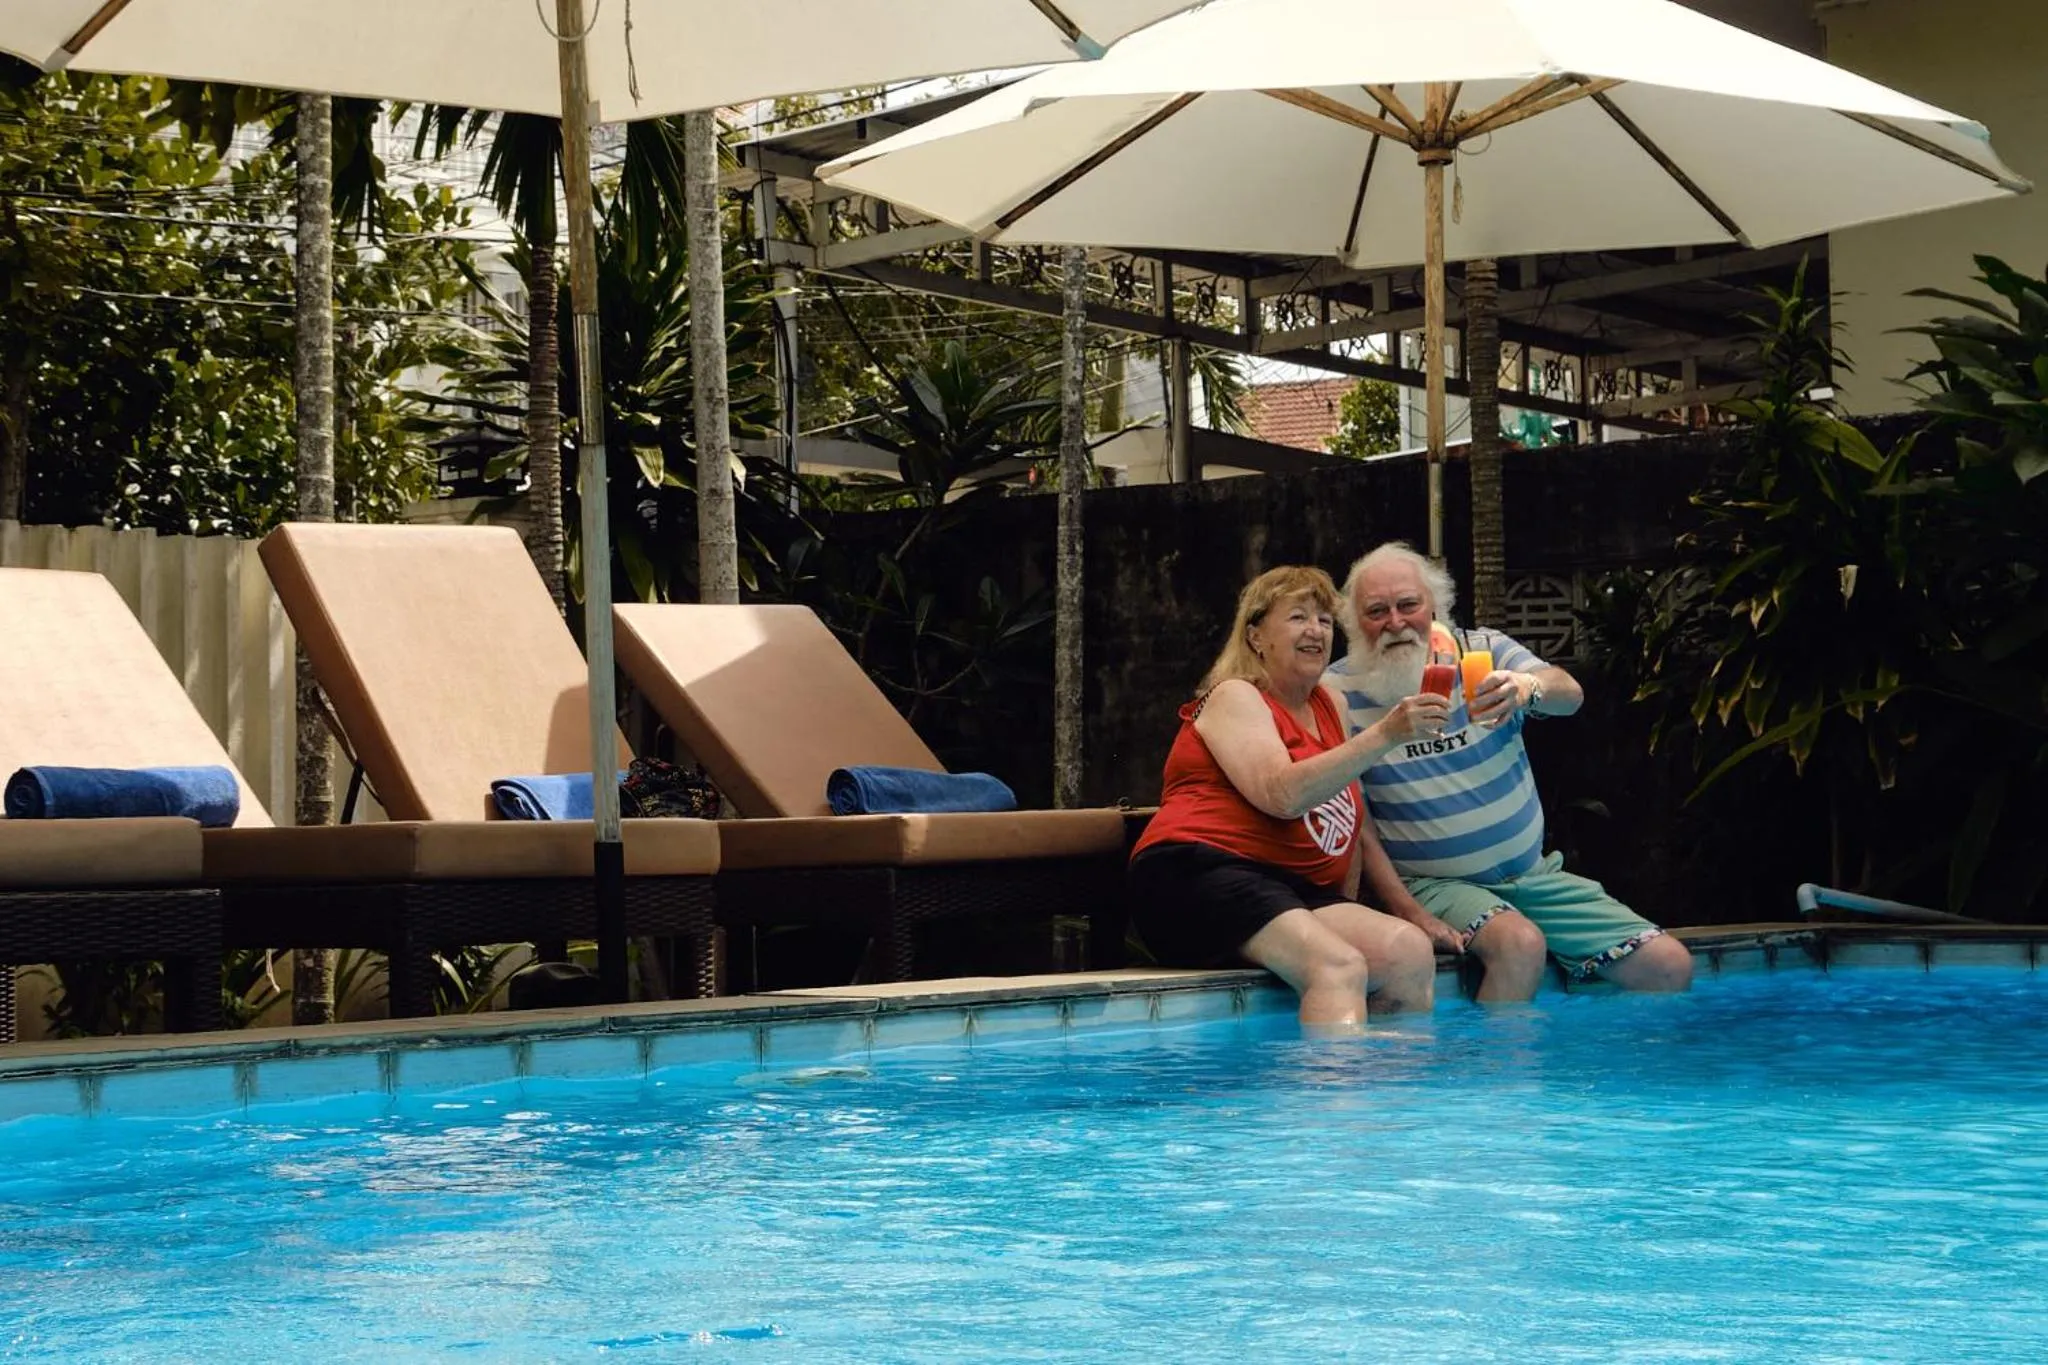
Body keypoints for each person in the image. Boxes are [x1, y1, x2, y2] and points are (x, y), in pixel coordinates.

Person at [1323, 542, 1694, 1002]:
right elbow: (1360, 823)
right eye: (1376, 611)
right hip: (1433, 884)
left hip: (1532, 875)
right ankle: (1496, 1075)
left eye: (1408, 605)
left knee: (1669, 968)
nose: (1395, 622)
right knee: (1520, 944)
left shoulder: (1483, 651)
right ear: (1353, 622)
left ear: (1435, 604)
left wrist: (1527, 687)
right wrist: (1407, 907)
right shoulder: (1336, 692)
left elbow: (1570, 694)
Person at [1128, 565, 1462, 1033]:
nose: (1316, 630)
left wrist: (1356, 904)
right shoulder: (1235, 696)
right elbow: (1281, 795)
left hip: (1285, 885)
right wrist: (1387, 733)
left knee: (1408, 952)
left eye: (1325, 620)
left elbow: (1348, 818)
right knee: (1338, 966)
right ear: (1256, 636)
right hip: (1196, 873)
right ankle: (1326, 1103)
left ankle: (1392, 1098)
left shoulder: (1331, 704)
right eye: (1298, 617)